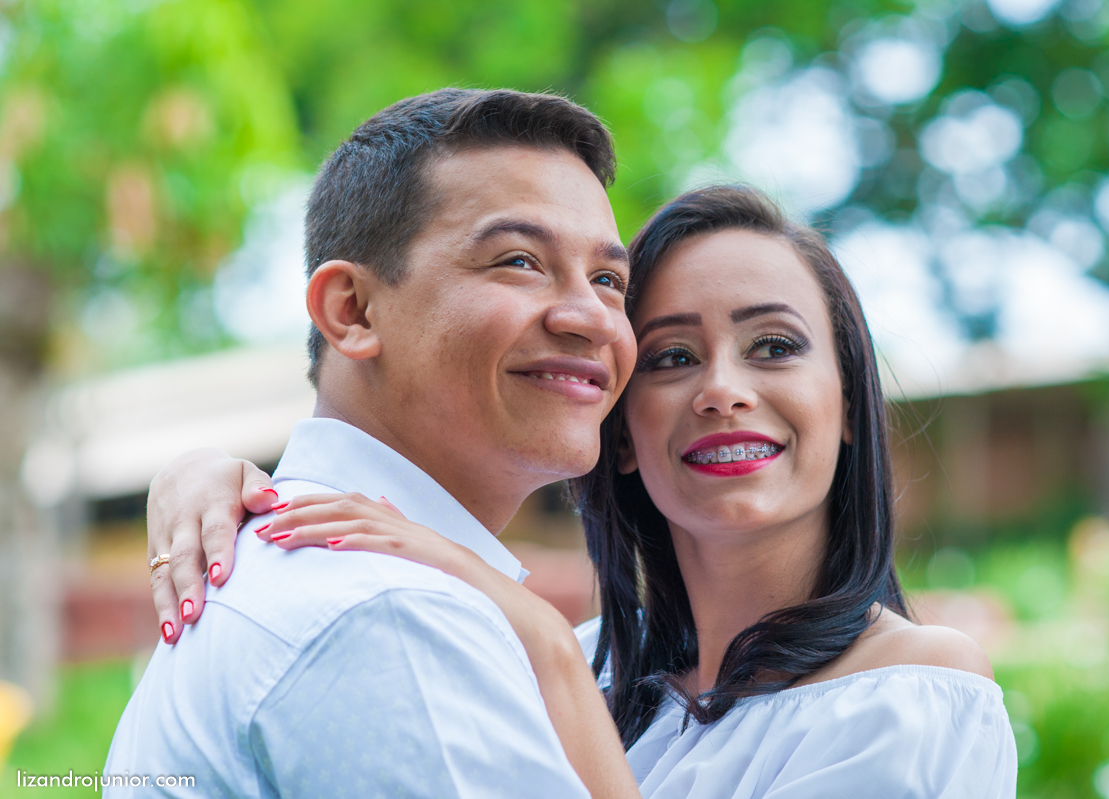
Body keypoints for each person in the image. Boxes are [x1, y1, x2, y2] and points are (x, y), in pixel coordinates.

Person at [147, 185, 1018, 796]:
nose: (723, 390)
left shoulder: (916, 692)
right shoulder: (576, 661)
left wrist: (544, 645)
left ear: (851, 404)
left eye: (774, 347)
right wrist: (221, 477)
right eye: (673, 356)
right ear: (621, 431)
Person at [106, 88, 644, 798]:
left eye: (608, 280)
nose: (592, 318)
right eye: (519, 261)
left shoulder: (331, 575)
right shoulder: (390, 611)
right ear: (353, 310)